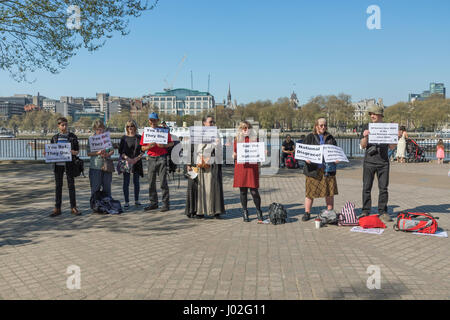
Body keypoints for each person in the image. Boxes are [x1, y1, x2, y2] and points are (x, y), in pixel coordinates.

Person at [360, 105, 397, 222]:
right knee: (366, 187)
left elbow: (391, 147)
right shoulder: (367, 127)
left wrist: (394, 138)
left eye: (374, 114)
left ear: (380, 115)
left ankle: (383, 212)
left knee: (383, 188)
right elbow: (363, 145)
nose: (372, 116)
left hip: (383, 162)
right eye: (371, 114)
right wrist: (365, 136)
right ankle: (365, 211)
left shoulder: (388, 128)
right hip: (369, 162)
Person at [301, 117, 339, 221]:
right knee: (310, 193)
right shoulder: (309, 137)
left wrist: (337, 158)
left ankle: (330, 211)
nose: (323, 127)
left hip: (328, 169)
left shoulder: (330, 137)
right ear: (316, 126)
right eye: (321, 125)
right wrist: (306, 159)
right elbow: (301, 151)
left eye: (325, 125)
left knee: (329, 192)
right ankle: (307, 213)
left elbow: (336, 150)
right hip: (313, 170)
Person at [190, 115, 226, 219]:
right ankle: (200, 211)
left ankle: (215, 211)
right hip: (201, 163)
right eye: (210, 122)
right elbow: (195, 148)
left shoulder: (216, 134)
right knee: (202, 188)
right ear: (204, 123)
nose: (211, 124)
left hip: (212, 163)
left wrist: (218, 145)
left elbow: (219, 150)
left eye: (212, 122)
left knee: (213, 188)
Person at [140, 112, 174, 212]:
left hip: (162, 158)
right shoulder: (146, 132)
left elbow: (171, 143)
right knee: (151, 182)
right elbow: (142, 147)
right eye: (151, 120)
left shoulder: (163, 131)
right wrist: (148, 147)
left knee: (163, 182)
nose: (153, 122)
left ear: (158, 120)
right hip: (150, 158)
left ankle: (165, 204)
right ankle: (153, 203)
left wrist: (164, 146)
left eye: (154, 120)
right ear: (149, 121)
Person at [49, 117, 81, 217]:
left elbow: (77, 151)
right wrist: (47, 153)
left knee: (71, 186)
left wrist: (72, 152)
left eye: (66, 124)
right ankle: (57, 208)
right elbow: (51, 151)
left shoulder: (72, 137)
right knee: (58, 186)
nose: (64, 126)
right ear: (58, 126)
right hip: (58, 165)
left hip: (69, 164)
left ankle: (73, 207)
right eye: (62, 125)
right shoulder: (54, 138)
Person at [233, 121, 264, 223]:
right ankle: (245, 211)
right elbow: (234, 153)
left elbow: (259, 152)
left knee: (254, 191)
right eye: (243, 128)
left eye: (247, 128)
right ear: (240, 130)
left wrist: (263, 153)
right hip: (241, 167)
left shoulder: (255, 140)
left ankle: (259, 211)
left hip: (252, 168)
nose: (245, 130)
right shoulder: (237, 140)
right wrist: (234, 155)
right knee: (243, 191)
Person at [87, 120, 114, 203]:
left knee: (107, 187)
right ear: (94, 129)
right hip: (95, 167)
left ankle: (108, 204)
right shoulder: (91, 139)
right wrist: (97, 153)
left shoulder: (107, 138)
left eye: (101, 129)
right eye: (98, 129)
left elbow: (112, 151)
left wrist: (107, 154)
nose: (100, 131)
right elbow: (88, 153)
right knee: (95, 188)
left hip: (106, 166)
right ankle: (96, 205)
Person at [119, 120, 144, 209]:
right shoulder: (123, 138)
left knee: (136, 182)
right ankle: (126, 201)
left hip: (137, 162)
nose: (130, 128)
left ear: (135, 127)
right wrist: (128, 159)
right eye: (128, 126)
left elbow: (143, 151)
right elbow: (120, 151)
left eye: (132, 126)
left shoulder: (139, 137)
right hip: (126, 162)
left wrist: (136, 159)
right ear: (126, 128)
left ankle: (136, 200)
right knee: (126, 182)